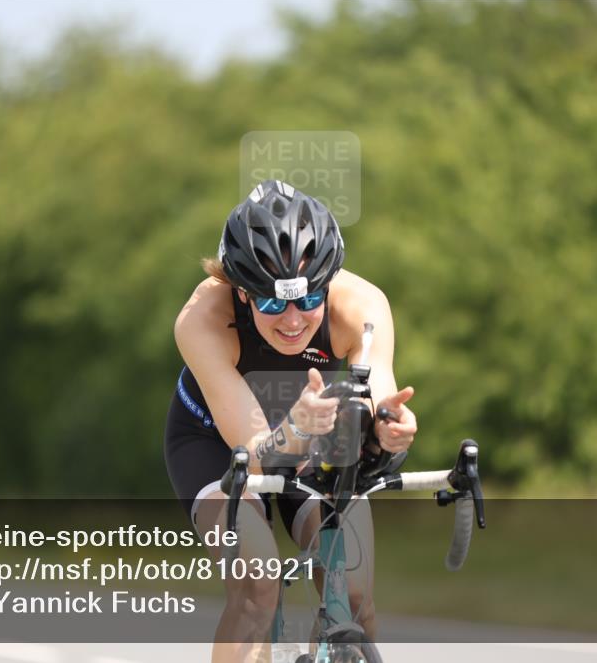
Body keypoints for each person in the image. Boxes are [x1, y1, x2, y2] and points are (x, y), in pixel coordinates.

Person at [164, 180, 417, 663]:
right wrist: (296, 427)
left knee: (356, 596)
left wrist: (390, 426)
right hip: (216, 444)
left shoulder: (362, 307)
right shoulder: (202, 318)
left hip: (317, 430)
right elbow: (255, 454)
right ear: (241, 291)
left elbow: (381, 393)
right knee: (258, 585)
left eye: (308, 299)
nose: (294, 320)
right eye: (273, 303)